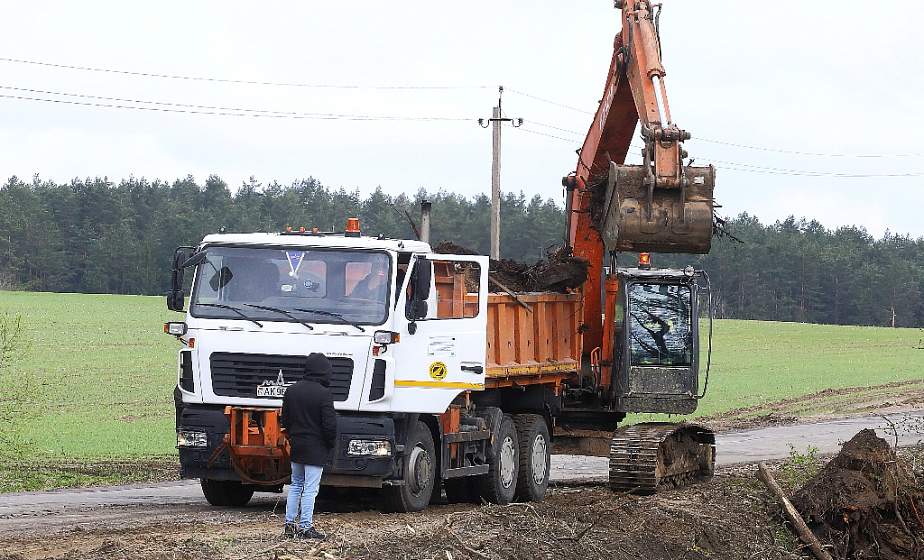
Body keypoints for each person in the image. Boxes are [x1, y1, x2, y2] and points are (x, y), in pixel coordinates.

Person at [280, 353, 338, 540]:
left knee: (296, 484)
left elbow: (286, 420)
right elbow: (329, 425)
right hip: (316, 447)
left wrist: (293, 436)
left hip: (297, 445)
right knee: (311, 488)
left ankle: (289, 524)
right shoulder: (324, 394)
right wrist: (330, 444)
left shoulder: (292, 391)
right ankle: (306, 527)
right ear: (323, 371)